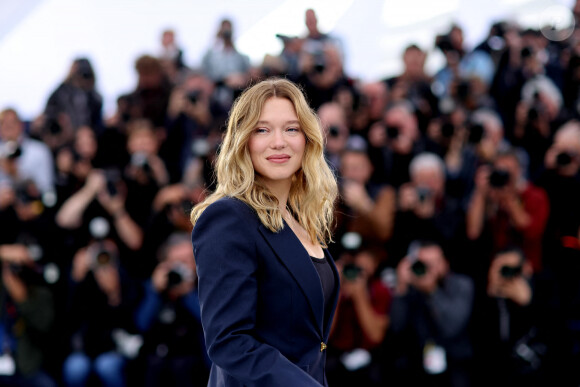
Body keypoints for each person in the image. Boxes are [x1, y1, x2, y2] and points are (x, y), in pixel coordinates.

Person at [190, 78, 339, 386]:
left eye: (291, 129)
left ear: (307, 139)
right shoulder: (229, 218)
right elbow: (229, 342)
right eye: (262, 129)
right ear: (244, 140)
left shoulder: (300, 220)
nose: (279, 141)